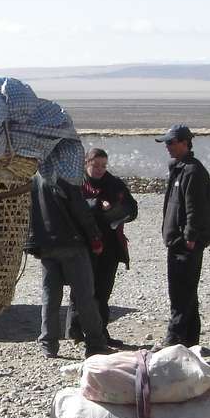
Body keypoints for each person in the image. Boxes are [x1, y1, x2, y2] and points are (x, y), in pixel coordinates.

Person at [26, 170, 109, 359]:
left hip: (46, 244)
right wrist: (95, 237)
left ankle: (48, 344)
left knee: (50, 296)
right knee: (84, 296)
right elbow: (80, 210)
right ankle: (95, 342)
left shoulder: (34, 177)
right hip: (71, 244)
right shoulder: (65, 176)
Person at [67, 148, 138, 348]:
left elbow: (132, 210)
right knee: (80, 290)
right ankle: (75, 330)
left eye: (103, 166)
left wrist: (114, 209)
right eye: (95, 165)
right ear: (86, 163)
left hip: (110, 248)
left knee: (103, 292)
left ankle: (100, 332)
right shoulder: (77, 184)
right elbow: (71, 211)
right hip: (83, 247)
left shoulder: (114, 184)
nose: (99, 169)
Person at [158, 124, 210, 347]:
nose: (168, 147)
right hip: (177, 241)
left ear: (184, 142)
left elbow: (195, 207)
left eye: (171, 142)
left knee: (181, 293)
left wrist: (190, 238)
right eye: (167, 143)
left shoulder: (193, 171)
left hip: (185, 243)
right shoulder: (180, 168)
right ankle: (191, 340)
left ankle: (173, 341)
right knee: (186, 292)